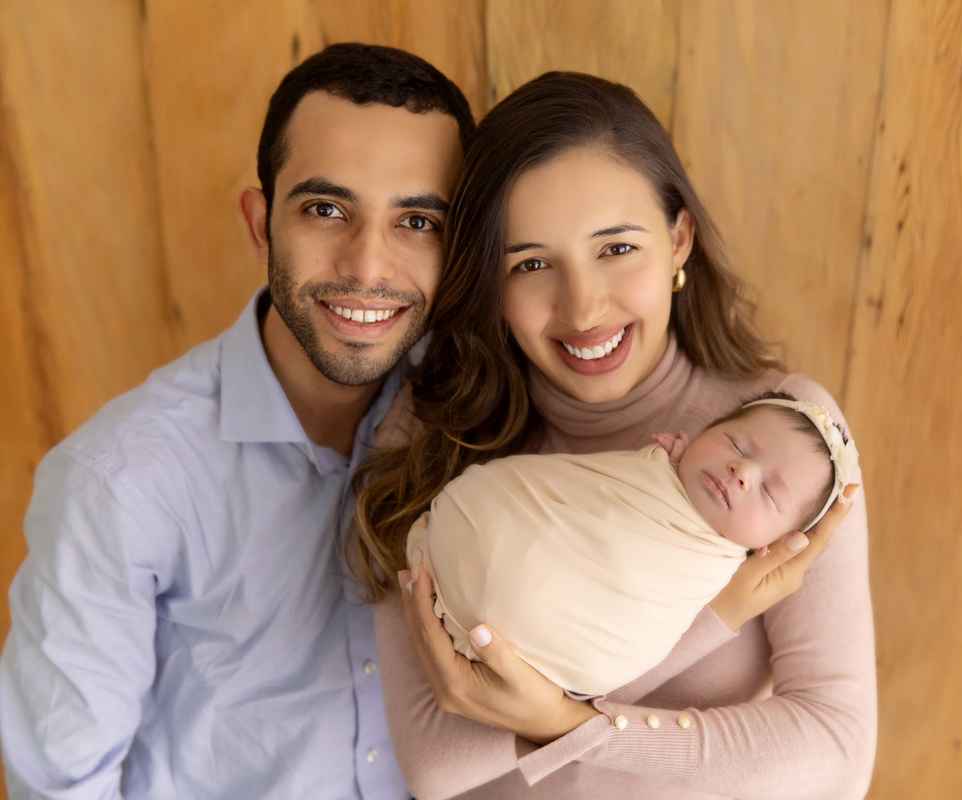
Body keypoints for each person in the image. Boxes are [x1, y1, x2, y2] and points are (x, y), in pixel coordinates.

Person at [350, 71, 876, 799]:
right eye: (532, 264)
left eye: (617, 248)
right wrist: (717, 617)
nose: (583, 308)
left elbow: (838, 754)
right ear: (491, 285)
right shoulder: (428, 434)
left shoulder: (787, 441)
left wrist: (568, 722)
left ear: (678, 239)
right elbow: (436, 766)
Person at [0, 44, 473, 799]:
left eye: (417, 220)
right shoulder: (119, 483)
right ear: (261, 225)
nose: (367, 267)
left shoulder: (475, 422)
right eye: (326, 210)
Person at [405, 391, 862, 698]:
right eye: (735, 445)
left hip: (540, 643)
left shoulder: (718, 569)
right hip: (481, 525)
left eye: (770, 493)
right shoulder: (656, 466)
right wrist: (663, 466)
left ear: (774, 545)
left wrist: (560, 722)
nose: (741, 472)